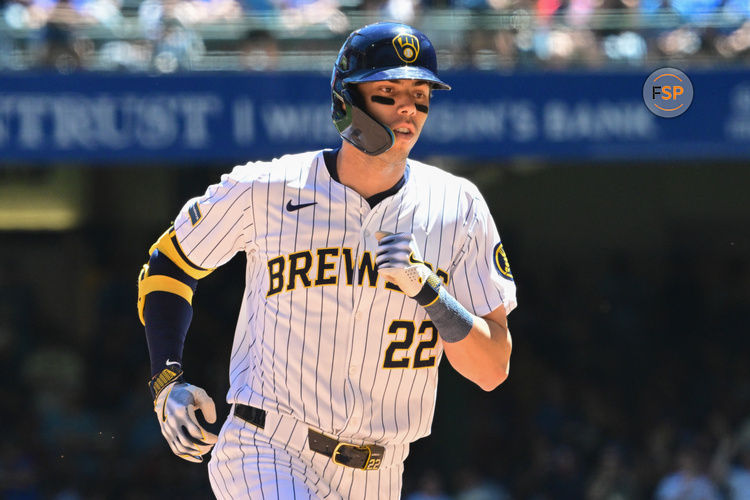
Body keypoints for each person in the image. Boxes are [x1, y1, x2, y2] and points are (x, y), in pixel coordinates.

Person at [137, 21, 517, 499]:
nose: (408, 107)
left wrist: (430, 291)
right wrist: (166, 380)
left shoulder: (458, 207)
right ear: (346, 101)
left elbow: (492, 368)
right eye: (387, 90)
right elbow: (167, 264)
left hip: (382, 471)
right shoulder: (268, 188)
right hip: (268, 445)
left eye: (420, 92)